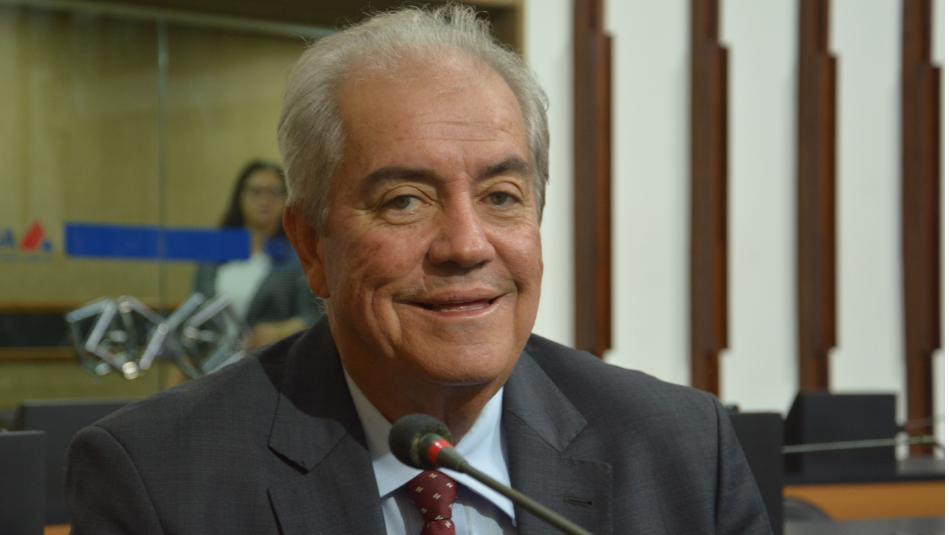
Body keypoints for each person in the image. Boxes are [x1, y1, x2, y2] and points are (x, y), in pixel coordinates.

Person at [65, 6, 772, 534]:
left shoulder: (682, 450)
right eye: (404, 200)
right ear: (311, 246)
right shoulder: (158, 479)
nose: (466, 245)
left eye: (502, 196)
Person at [193, 160, 322, 349]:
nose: (265, 200)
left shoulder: (297, 257)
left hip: (269, 359)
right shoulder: (214, 254)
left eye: (275, 192)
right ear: (239, 198)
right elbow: (196, 316)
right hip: (214, 361)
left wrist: (281, 331)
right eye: (256, 192)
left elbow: (314, 316)